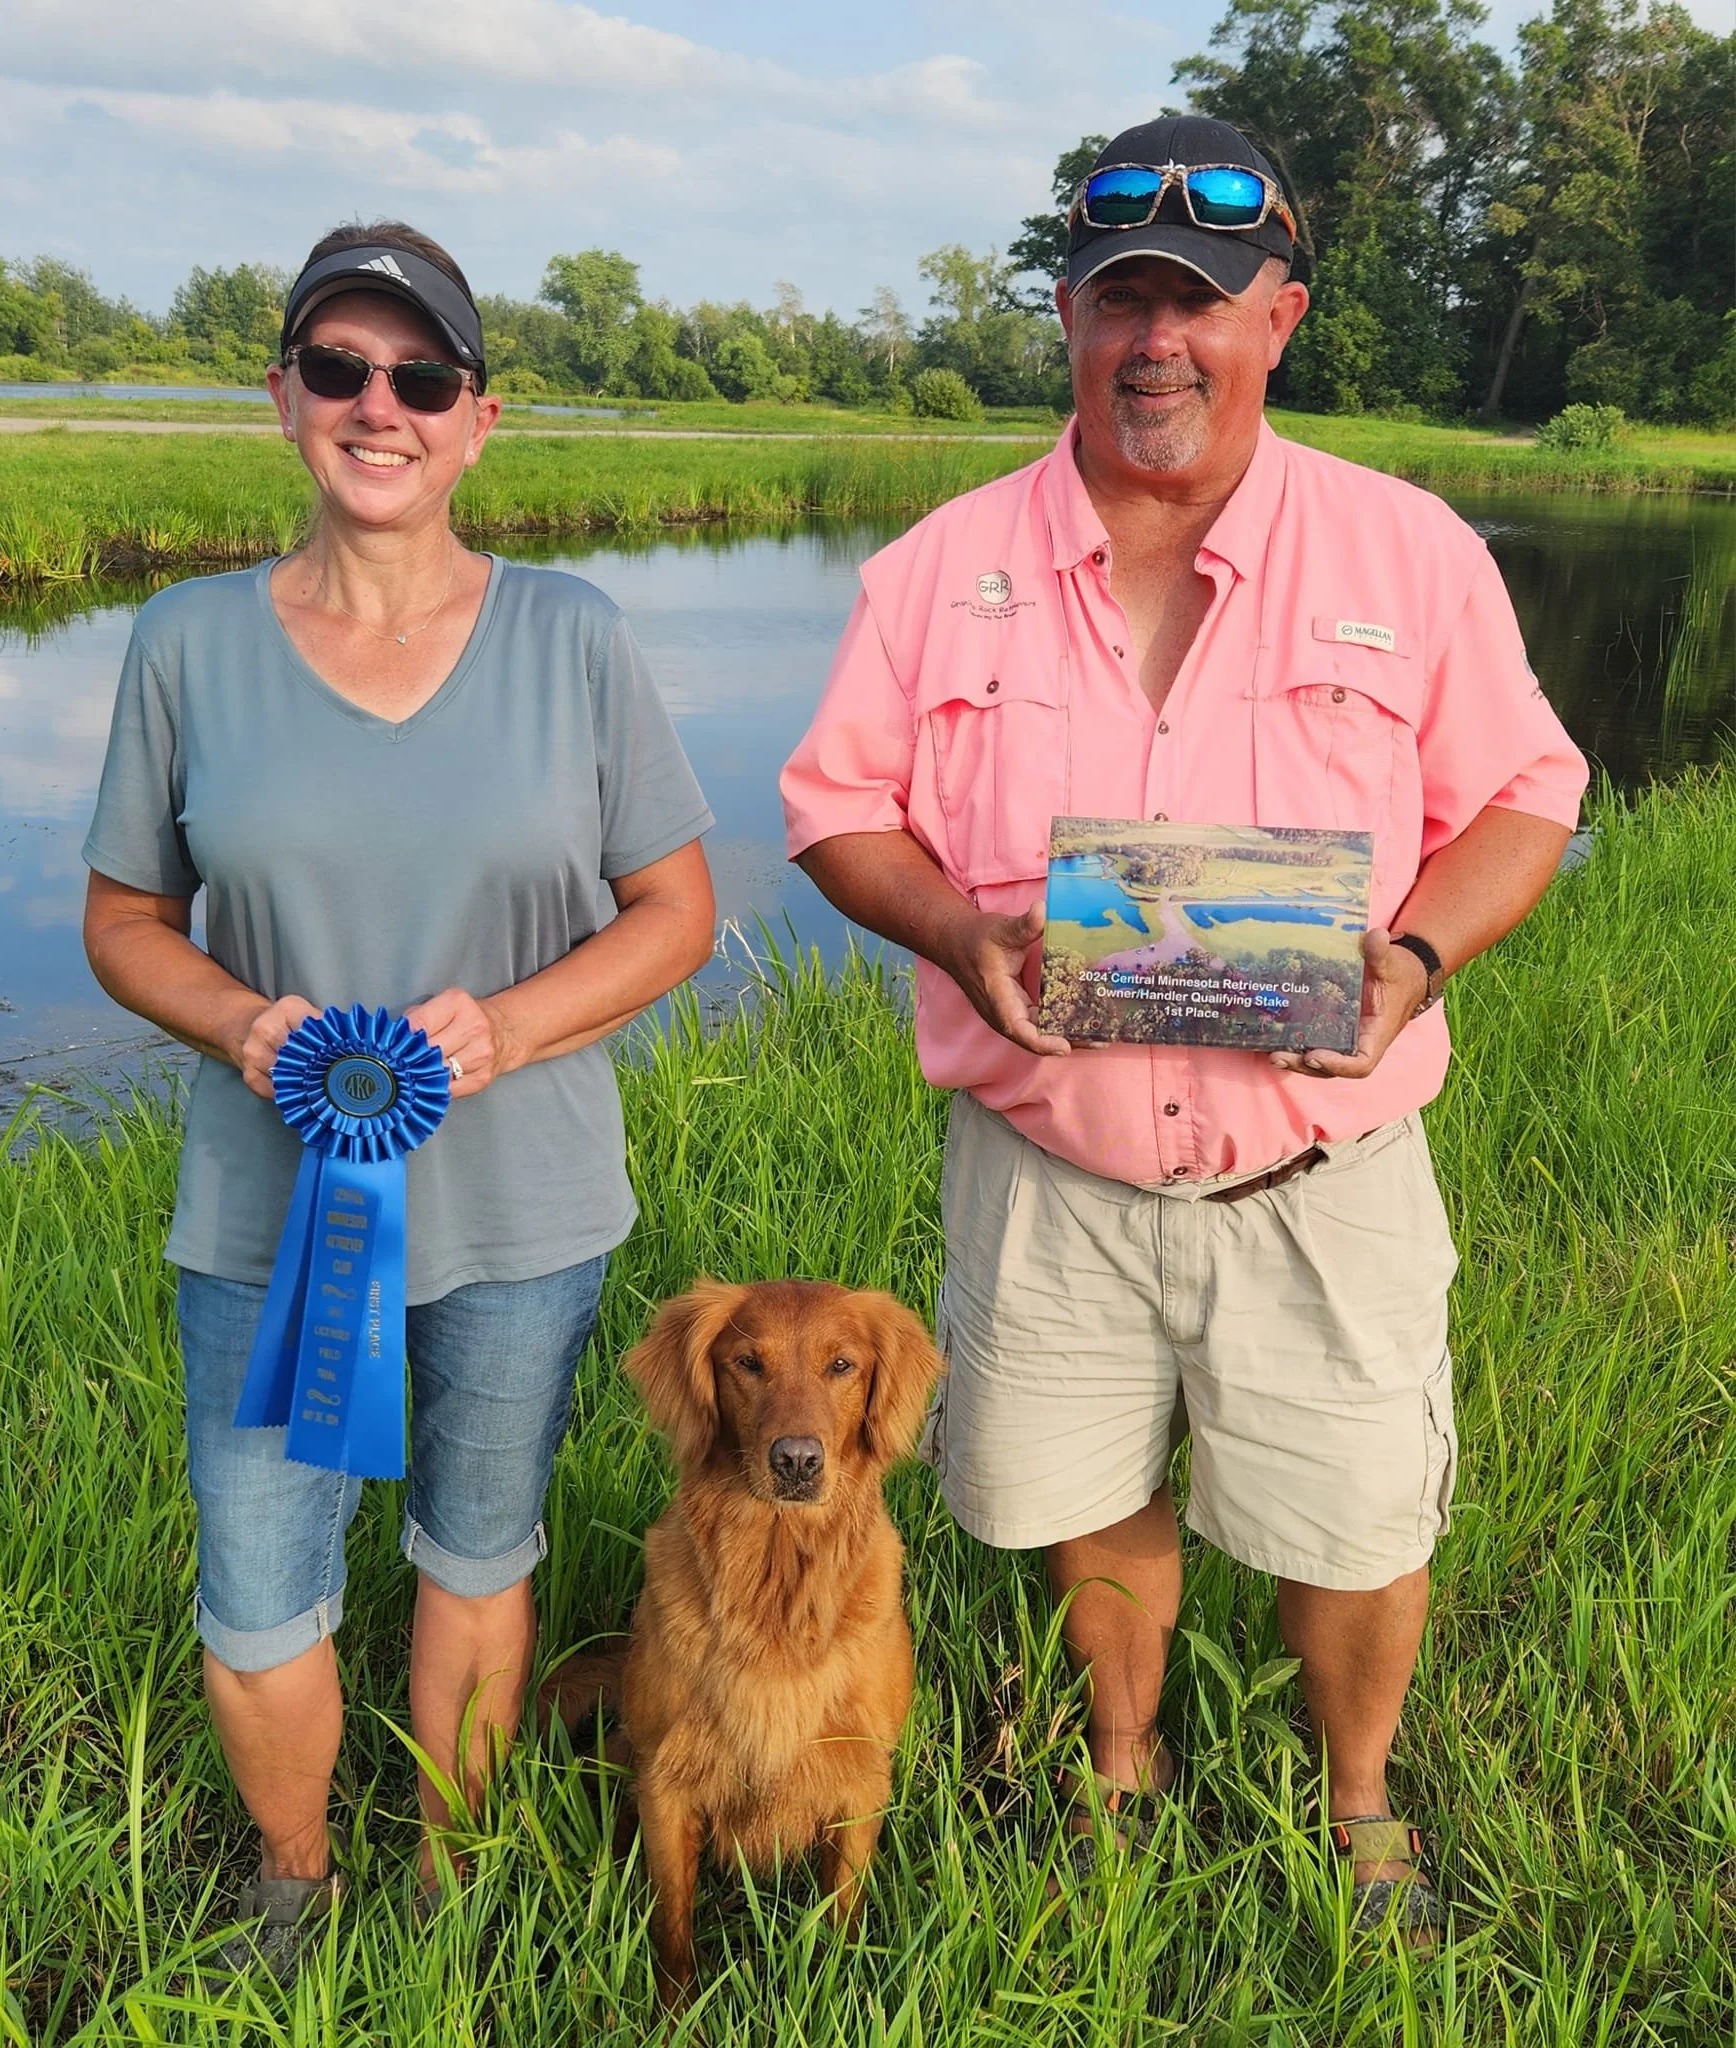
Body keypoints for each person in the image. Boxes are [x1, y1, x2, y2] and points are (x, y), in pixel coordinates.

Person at [781, 116, 1587, 1936]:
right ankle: (1121, 1771)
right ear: (1066, 315)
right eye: (1119, 298)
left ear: (1278, 317)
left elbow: (1531, 790)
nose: (1160, 339)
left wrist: (1418, 959)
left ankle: (1360, 1805)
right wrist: (957, 927)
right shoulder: (932, 571)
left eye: (1201, 302)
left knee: (1366, 1521)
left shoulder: (1413, 550)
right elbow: (835, 806)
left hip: (1321, 1168)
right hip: (1048, 1172)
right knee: (1090, 1493)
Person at [82, 221, 715, 1979]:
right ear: (283, 395)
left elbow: (678, 912)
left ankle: (452, 1881)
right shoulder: (183, 641)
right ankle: (293, 1893)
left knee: (477, 1544)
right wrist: (241, 1026)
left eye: (420, 378)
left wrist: (502, 1032)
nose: (382, 406)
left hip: (525, 1212)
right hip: (264, 1215)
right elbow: (124, 921)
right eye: (342, 370)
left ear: (478, 417)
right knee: (262, 1569)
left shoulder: (573, 635)